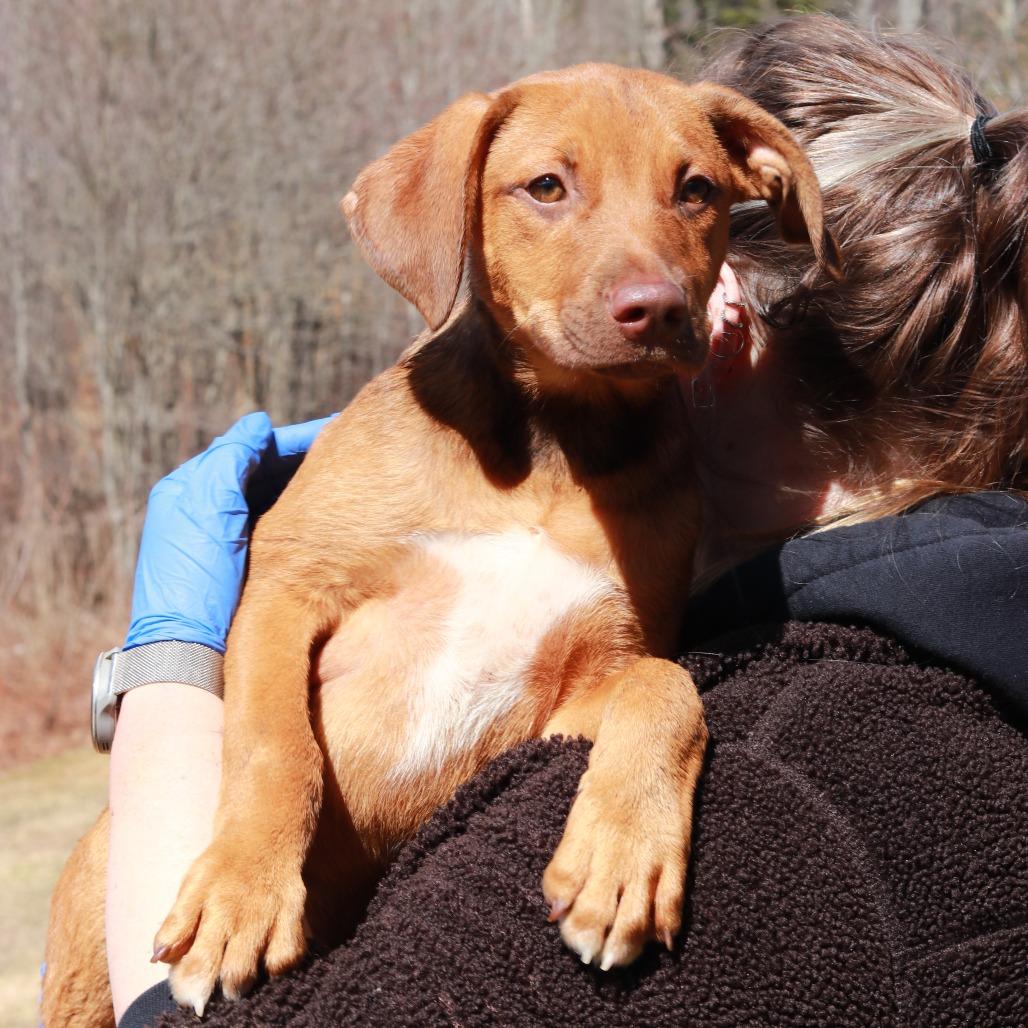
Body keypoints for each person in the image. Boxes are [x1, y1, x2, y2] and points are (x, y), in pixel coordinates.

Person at [100, 16, 1026, 1027]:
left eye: (691, 194)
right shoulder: (902, 649)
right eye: (550, 189)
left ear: (729, 297)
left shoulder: (776, 750)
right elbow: (288, 598)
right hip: (196, 891)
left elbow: (597, 692)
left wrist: (160, 678)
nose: (645, 274)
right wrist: (260, 816)